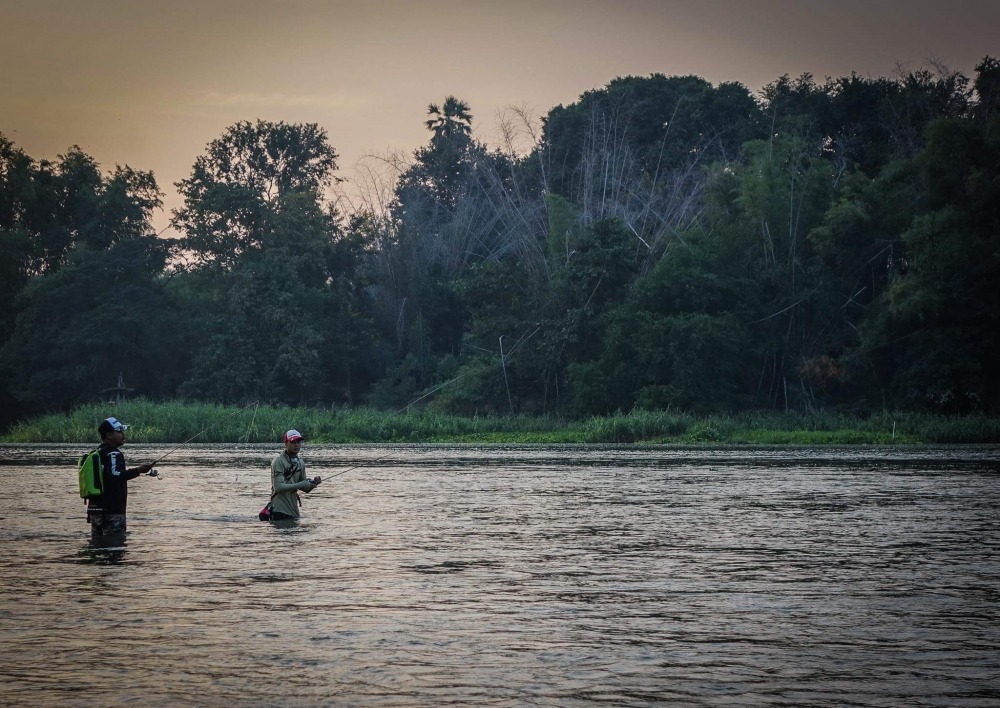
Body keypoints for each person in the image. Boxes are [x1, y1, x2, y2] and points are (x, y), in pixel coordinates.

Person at [87, 416, 157, 544]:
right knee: (115, 551)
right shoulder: (114, 453)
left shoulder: (97, 452)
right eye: (119, 432)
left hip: (95, 510)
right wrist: (138, 470)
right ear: (109, 435)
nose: (122, 435)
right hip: (112, 511)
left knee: (98, 549)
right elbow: (116, 475)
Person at [269, 429, 321, 523]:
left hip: (294, 512)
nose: (296, 445)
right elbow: (278, 487)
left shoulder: (300, 463)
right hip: (279, 511)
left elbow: (305, 488)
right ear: (286, 444)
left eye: (298, 442)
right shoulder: (278, 461)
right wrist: (302, 484)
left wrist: (313, 483)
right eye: (293, 442)